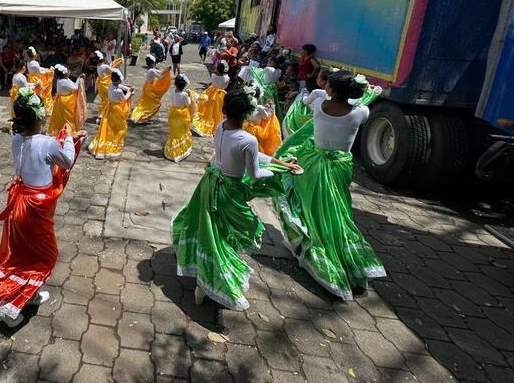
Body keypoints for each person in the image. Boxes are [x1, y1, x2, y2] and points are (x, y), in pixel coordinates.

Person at [171, 89, 300, 309]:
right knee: (228, 233)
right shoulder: (248, 139)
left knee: (212, 230)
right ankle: (211, 281)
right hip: (229, 191)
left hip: (210, 183)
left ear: (225, 110)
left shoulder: (221, 126)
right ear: (248, 114)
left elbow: (252, 155)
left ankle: (202, 272)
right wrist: (282, 172)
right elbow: (255, 174)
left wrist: (282, 163)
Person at [0, 89, 84, 326]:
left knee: (22, 254)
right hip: (35, 208)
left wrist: (63, 140)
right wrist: (69, 137)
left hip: (19, 203)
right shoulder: (49, 143)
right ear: (40, 118)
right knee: (43, 256)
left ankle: (27, 296)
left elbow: (42, 146)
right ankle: (10, 307)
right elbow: (66, 160)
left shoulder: (16, 139)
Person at [273, 70, 385, 301]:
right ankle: (342, 254)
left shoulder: (319, 106)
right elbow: (362, 103)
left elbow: (308, 102)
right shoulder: (361, 112)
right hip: (340, 167)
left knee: (309, 205)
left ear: (330, 89)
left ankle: (307, 242)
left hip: (312, 162)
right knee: (337, 209)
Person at [90, 69, 132, 159]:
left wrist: (126, 88)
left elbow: (120, 86)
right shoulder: (119, 91)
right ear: (117, 80)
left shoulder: (110, 85)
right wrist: (129, 92)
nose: (121, 81)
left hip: (110, 107)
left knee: (110, 125)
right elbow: (124, 99)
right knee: (120, 127)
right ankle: (115, 141)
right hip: (117, 109)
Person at [282, 66, 330, 139]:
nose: (317, 79)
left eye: (318, 78)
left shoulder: (316, 92)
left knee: (299, 99)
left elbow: (305, 101)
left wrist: (304, 93)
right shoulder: (330, 96)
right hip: (322, 125)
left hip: (311, 120)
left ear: (323, 81)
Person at [192, 61, 230, 137]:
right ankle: (216, 127)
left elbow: (213, 82)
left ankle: (208, 124)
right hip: (221, 95)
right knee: (218, 111)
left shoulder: (213, 75)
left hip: (211, 93)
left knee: (209, 109)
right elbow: (225, 86)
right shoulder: (227, 78)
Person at [164, 74, 197, 162]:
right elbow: (188, 104)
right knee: (182, 131)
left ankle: (173, 148)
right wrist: (191, 95)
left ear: (175, 84)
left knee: (174, 131)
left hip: (173, 114)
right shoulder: (184, 95)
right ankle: (180, 149)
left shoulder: (172, 91)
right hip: (182, 115)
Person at [131, 55, 172, 124]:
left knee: (147, 104)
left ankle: (145, 118)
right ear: (153, 63)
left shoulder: (151, 70)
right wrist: (167, 72)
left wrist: (166, 70)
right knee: (155, 104)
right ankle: (143, 117)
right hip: (149, 89)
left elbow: (160, 72)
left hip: (148, 87)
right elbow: (160, 77)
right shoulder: (151, 71)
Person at [47, 65, 87, 135]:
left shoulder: (61, 79)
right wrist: (78, 78)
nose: (69, 72)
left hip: (62, 100)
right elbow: (75, 87)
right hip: (66, 101)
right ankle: (69, 131)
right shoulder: (64, 82)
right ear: (64, 73)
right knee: (68, 117)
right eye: (68, 71)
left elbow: (70, 83)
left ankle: (62, 129)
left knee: (62, 117)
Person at [25, 47, 54, 117]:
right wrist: (50, 71)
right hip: (37, 79)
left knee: (33, 94)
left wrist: (47, 69)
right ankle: (40, 109)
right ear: (35, 55)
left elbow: (39, 68)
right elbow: (40, 72)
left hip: (31, 78)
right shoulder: (35, 62)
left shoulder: (28, 62)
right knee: (40, 94)